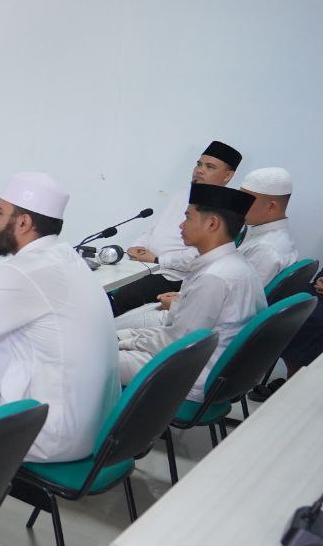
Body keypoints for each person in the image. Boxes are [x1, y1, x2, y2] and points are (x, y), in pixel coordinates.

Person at [0, 172, 120, 462]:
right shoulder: (66, 257)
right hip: (96, 429)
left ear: (23, 223)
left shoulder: (25, 271)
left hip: (50, 436)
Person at [118, 184, 264, 400]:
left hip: (188, 373)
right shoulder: (237, 265)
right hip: (203, 364)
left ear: (212, 224)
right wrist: (127, 337)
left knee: (93, 357)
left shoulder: (214, 277)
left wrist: (126, 341)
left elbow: (177, 343)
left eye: (188, 217)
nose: (181, 224)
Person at [112, 141, 242, 315]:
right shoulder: (182, 194)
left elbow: (199, 256)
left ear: (227, 176)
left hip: (172, 276)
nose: (199, 170)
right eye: (198, 164)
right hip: (146, 264)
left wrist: (158, 260)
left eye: (210, 167)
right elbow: (154, 229)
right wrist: (138, 247)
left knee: (122, 297)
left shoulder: (225, 210)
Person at [237, 167, 297, 286]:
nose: (238, 205)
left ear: (271, 207)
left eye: (245, 200)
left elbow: (241, 299)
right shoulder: (271, 235)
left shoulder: (266, 250)